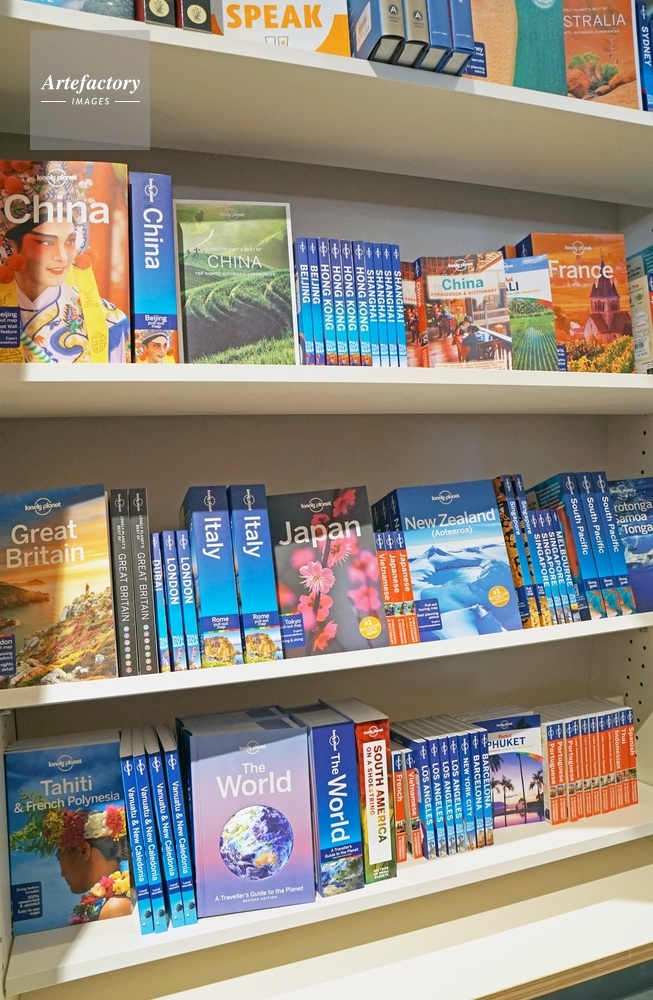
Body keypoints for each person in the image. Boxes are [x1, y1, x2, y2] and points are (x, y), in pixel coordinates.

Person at [0, 162, 129, 363]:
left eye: (69, 241)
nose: (62, 256)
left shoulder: (110, 321)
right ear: (11, 246)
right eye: (45, 242)